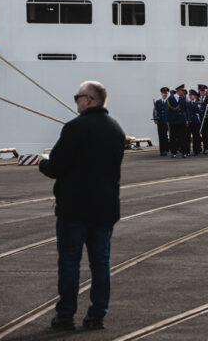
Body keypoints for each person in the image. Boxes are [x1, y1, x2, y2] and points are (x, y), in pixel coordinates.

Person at [39, 81, 125, 331]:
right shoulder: (116, 130)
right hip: (105, 209)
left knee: (69, 263)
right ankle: (97, 315)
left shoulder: (75, 128)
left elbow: (55, 166)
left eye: (77, 96)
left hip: (74, 209)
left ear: (88, 99)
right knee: (101, 264)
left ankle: (65, 315)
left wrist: (43, 163)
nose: (75, 100)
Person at [167, 85, 189, 158]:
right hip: (173, 120)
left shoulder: (183, 98)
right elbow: (168, 111)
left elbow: (186, 110)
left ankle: (184, 152)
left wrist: (187, 119)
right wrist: (167, 120)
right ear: (178, 91)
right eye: (182, 91)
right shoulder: (170, 98)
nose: (183, 92)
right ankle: (173, 152)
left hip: (182, 120)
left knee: (183, 137)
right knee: (173, 137)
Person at [152, 87, 170, 156]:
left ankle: (166, 149)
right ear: (161, 93)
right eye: (163, 93)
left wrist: (169, 120)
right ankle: (162, 150)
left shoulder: (169, 102)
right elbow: (154, 111)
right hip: (160, 121)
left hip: (166, 121)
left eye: (166, 93)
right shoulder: (158, 102)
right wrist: (155, 119)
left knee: (165, 135)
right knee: (160, 135)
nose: (164, 94)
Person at [186, 90, 203, 156]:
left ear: (195, 96)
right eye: (189, 95)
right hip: (189, 121)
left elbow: (196, 108)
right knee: (187, 137)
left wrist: (189, 103)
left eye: (191, 95)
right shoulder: (188, 103)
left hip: (196, 121)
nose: (190, 96)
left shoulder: (198, 103)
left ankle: (196, 150)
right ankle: (187, 151)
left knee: (196, 136)